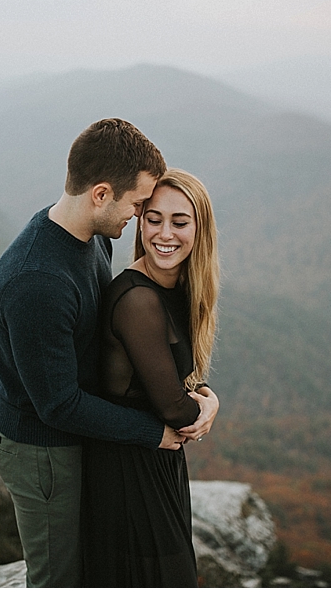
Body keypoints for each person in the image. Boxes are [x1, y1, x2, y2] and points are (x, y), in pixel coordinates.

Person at [0, 118, 186, 587]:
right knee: (60, 577)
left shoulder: (91, 235)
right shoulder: (37, 280)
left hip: (80, 434)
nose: (139, 217)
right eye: (138, 204)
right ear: (101, 194)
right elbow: (56, 404)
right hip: (43, 451)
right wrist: (149, 431)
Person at [81, 168, 221, 586]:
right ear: (140, 221)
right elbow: (174, 409)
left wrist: (206, 393)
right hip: (128, 468)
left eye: (180, 222)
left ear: (200, 228)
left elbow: (179, 375)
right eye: (153, 218)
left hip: (156, 461)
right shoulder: (137, 299)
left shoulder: (180, 287)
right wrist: (205, 408)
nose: (165, 233)